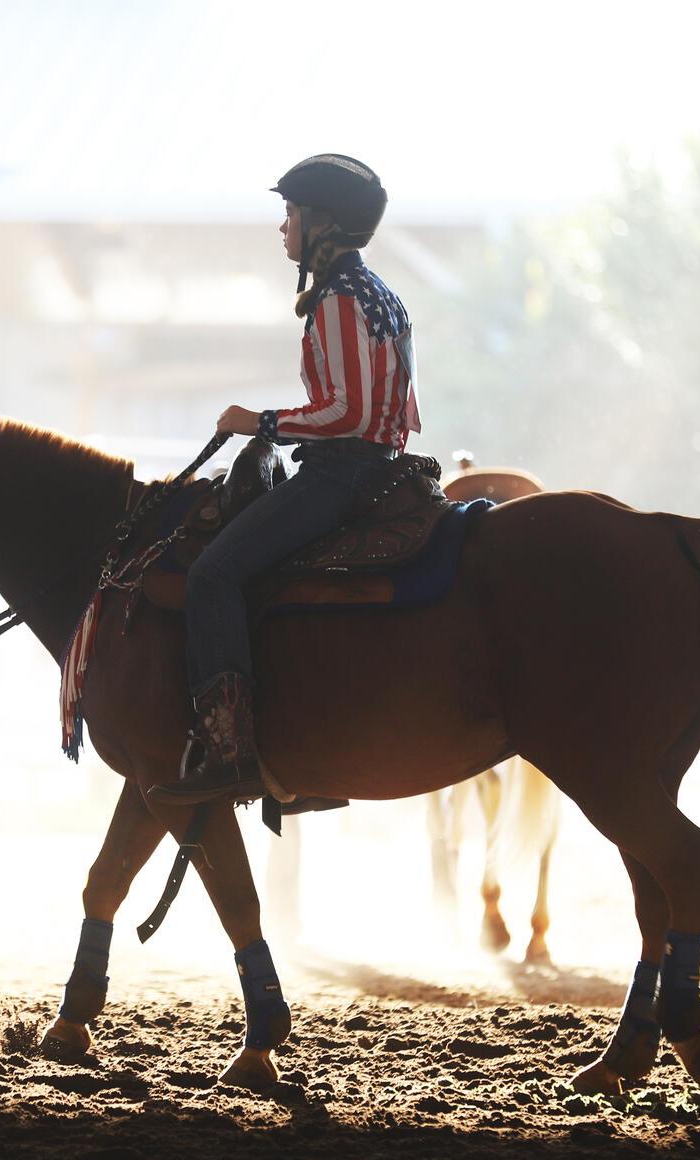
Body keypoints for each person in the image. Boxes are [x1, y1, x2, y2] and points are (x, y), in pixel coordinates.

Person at [150, 154, 421, 804]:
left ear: (321, 224)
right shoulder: (383, 294)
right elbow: (401, 409)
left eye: (291, 214)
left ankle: (231, 751)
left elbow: (349, 412)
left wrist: (260, 420)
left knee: (214, 572)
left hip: (341, 476)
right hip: (381, 467)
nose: (283, 228)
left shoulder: (335, 301)